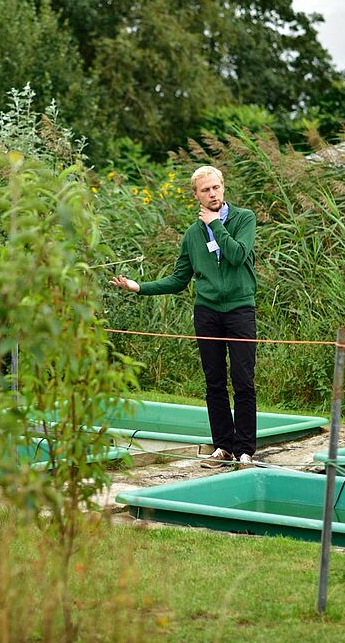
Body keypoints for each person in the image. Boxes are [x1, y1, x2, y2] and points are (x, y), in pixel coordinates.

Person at [110, 165, 258, 467]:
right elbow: (179, 279)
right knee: (214, 382)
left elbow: (237, 254)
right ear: (196, 195)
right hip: (207, 313)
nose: (212, 193)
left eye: (216, 187)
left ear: (223, 187)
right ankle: (223, 447)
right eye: (206, 190)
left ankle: (244, 451)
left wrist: (216, 225)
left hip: (241, 310)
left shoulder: (244, 219)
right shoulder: (192, 235)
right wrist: (139, 287)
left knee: (243, 381)